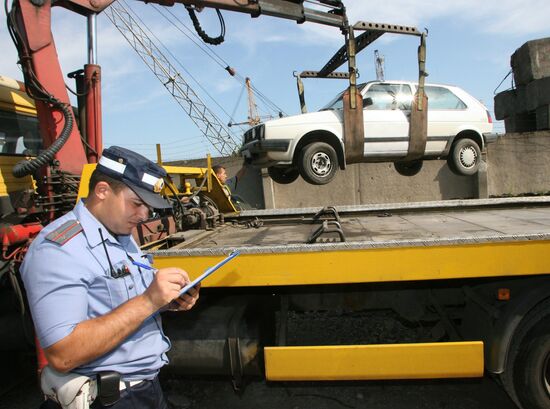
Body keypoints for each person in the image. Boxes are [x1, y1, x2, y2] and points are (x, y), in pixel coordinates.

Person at [21, 146, 200, 409]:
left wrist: (166, 300)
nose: (144, 216)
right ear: (103, 191)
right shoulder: (58, 249)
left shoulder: (121, 235)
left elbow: (122, 304)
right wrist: (149, 301)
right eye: (137, 203)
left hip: (145, 389)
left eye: (147, 206)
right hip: (107, 399)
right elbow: (63, 353)